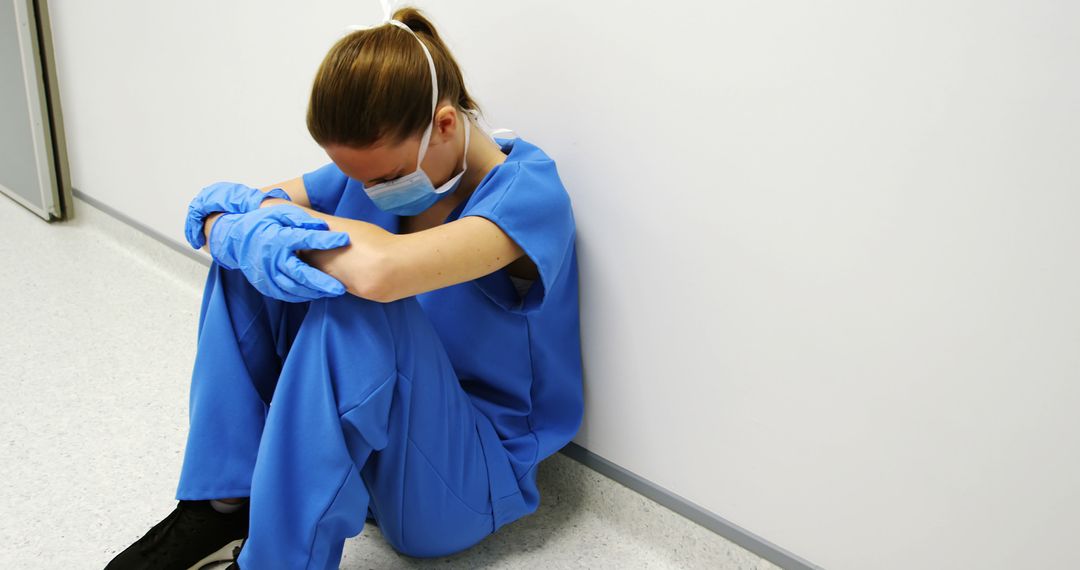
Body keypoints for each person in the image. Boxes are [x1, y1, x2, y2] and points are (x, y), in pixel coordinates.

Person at [105, 6, 583, 570]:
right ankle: (224, 501)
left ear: (446, 126)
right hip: (376, 457)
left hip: (467, 482)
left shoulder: (528, 198)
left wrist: (265, 226)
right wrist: (243, 231)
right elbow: (222, 210)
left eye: (382, 178)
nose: (367, 191)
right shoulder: (372, 172)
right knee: (249, 264)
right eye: (355, 176)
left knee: (352, 302)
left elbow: (382, 273)